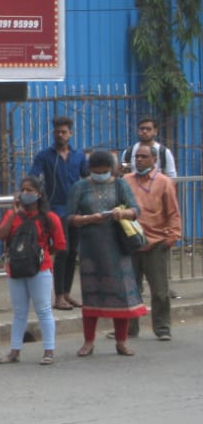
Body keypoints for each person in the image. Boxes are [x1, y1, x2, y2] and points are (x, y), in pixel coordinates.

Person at [66, 150, 147, 357]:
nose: (100, 175)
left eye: (103, 171)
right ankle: (88, 342)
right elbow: (69, 217)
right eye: (95, 171)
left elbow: (136, 210)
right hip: (90, 249)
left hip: (117, 247)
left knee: (121, 296)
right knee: (91, 295)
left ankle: (121, 341)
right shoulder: (80, 187)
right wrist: (87, 219)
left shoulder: (120, 185)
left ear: (111, 169)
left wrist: (123, 213)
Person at [0, 175, 66, 365]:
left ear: (39, 194)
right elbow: (1, 234)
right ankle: (15, 351)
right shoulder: (12, 215)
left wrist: (43, 258)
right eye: (22, 190)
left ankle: (49, 350)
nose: (25, 194)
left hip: (40, 269)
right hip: (15, 268)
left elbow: (59, 244)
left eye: (29, 191)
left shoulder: (50, 218)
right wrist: (15, 213)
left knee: (43, 310)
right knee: (19, 312)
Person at [124, 143, 181, 341]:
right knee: (130, 289)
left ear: (154, 160)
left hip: (156, 242)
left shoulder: (164, 182)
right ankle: (129, 328)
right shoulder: (126, 181)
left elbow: (173, 212)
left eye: (143, 157)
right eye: (137, 157)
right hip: (131, 242)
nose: (139, 160)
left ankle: (162, 328)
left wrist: (172, 237)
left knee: (159, 290)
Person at [30, 116, 88, 311]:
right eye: (57, 132)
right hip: (56, 210)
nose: (60, 135)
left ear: (70, 134)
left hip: (76, 210)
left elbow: (87, 178)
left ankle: (67, 293)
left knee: (73, 252)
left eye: (63, 132)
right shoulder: (44, 156)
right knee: (62, 251)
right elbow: (33, 177)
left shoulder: (79, 156)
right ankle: (58, 296)